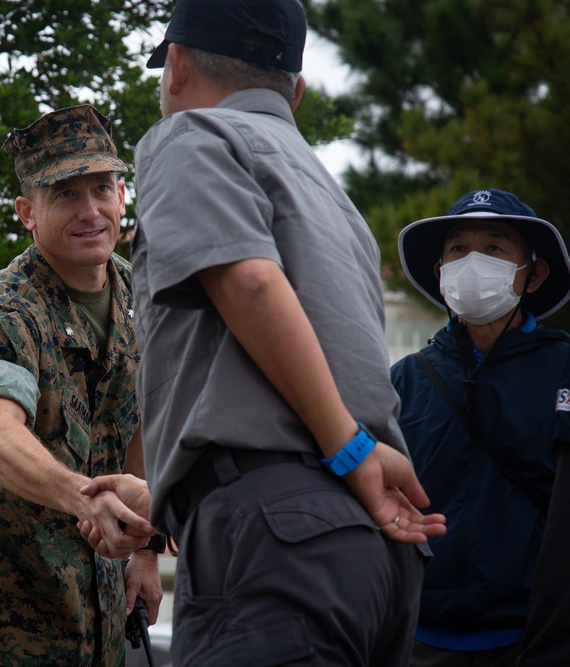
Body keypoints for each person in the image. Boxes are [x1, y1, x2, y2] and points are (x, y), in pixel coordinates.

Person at [125, 0, 448, 664]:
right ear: (295, 92)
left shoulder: (192, 136)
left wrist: (349, 450)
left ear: (177, 65)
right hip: (380, 555)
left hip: (280, 530)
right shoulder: (333, 195)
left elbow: (250, 284)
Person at [0, 104, 163, 667]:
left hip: (105, 608)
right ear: (27, 213)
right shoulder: (8, 308)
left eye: (102, 190)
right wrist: (86, 500)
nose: (90, 211)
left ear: (121, 197)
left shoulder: (141, 295)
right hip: (13, 615)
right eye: (65, 194)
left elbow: (140, 419)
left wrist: (146, 552)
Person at [391, 188, 570, 666]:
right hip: (417, 641)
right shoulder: (405, 380)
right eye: (457, 249)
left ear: (533, 274)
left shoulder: (565, 369)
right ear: (441, 273)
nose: (473, 262)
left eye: (494, 248)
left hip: (534, 642)